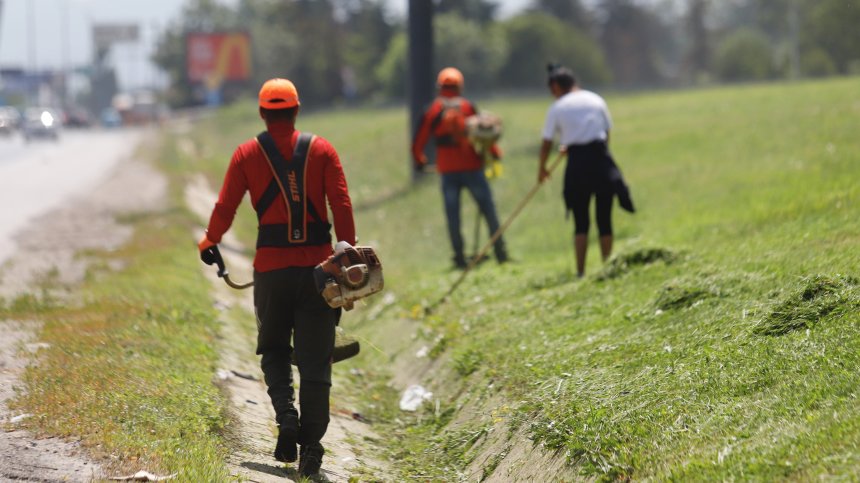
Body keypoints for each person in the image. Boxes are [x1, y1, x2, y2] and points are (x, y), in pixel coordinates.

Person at [197, 78, 355, 477]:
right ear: (296, 111)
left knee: (273, 350)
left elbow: (225, 205)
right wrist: (346, 249)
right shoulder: (322, 150)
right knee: (317, 362)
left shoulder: (246, 153)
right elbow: (341, 203)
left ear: (263, 113)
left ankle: (286, 416)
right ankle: (312, 447)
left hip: (270, 271)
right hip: (319, 272)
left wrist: (209, 240)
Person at [412, 67, 509, 269]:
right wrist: (495, 153)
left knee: (453, 216)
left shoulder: (432, 111)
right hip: (473, 166)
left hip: (448, 171)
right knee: (488, 210)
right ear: (460, 86)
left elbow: (418, 143)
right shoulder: (468, 107)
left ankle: (459, 258)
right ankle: (501, 252)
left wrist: (420, 161)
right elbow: (483, 134)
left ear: (440, 87)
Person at [538, 65, 621, 278]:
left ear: (556, 86)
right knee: (604, 217)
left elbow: (547, 142)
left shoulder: (557, 107)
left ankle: (581, 271)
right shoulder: (596, 99)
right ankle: (607, 267)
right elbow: (606, 132)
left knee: (580, 220)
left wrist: (542, 169)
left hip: (577, 165)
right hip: (602, 160)